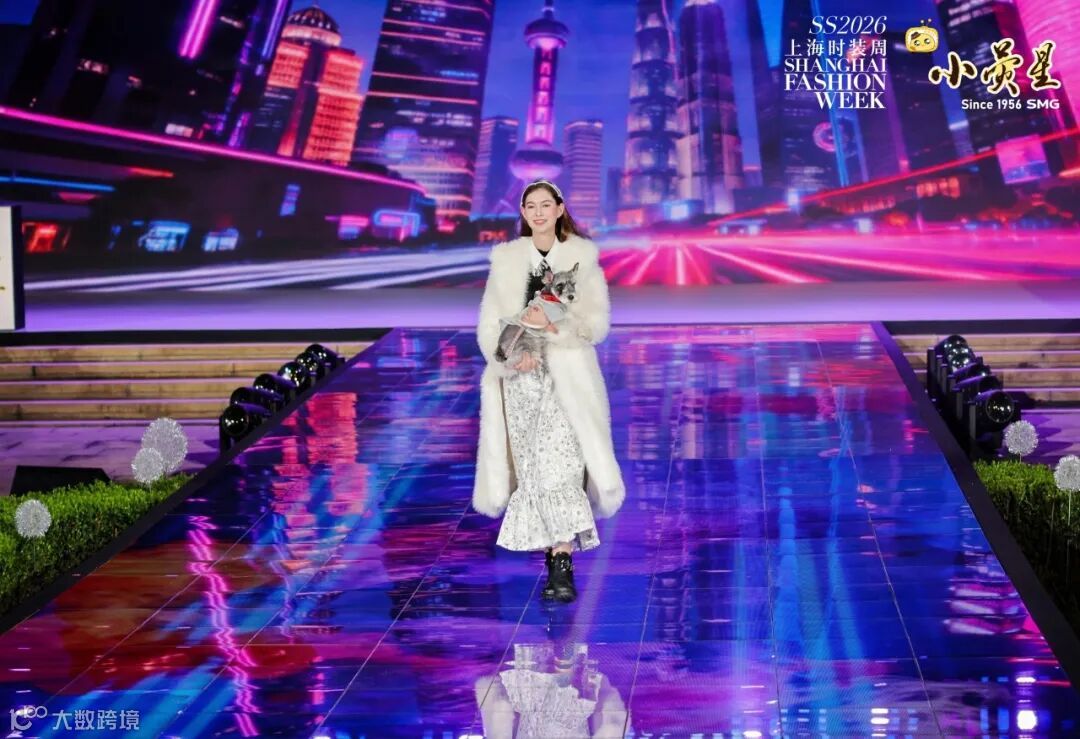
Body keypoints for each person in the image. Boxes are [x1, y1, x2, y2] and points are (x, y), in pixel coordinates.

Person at [473, 179, 624, 604]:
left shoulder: (582, 259)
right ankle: (553, 549)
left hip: (567, 376)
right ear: (523, 212)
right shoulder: (506, 260)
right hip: (520, 382)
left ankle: (562, 561)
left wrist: (559, 326)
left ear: (559, 208)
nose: (538, 213)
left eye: (545, 205)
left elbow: (596, 324)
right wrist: (509, 358)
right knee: (534, 469)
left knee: (562, 466)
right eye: (530, 206)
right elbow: (489, 325)